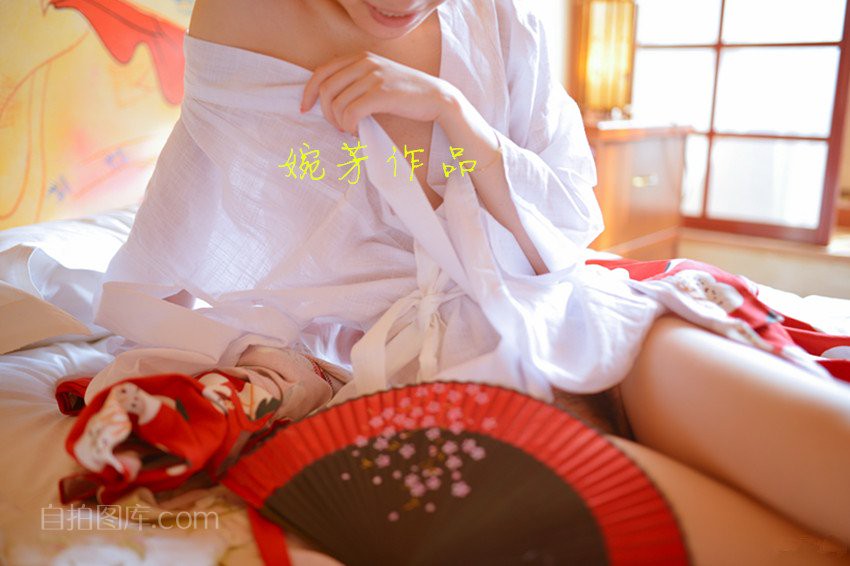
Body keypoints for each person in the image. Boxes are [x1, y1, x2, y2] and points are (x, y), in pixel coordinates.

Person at [89, 0, 850, 562]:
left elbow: (567, 224)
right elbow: (148, 279)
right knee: (787, 550)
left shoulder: (500, 17)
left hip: (573, 309)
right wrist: (272, 363)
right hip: (431, 381)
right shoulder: (243, 24)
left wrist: (455, 115)